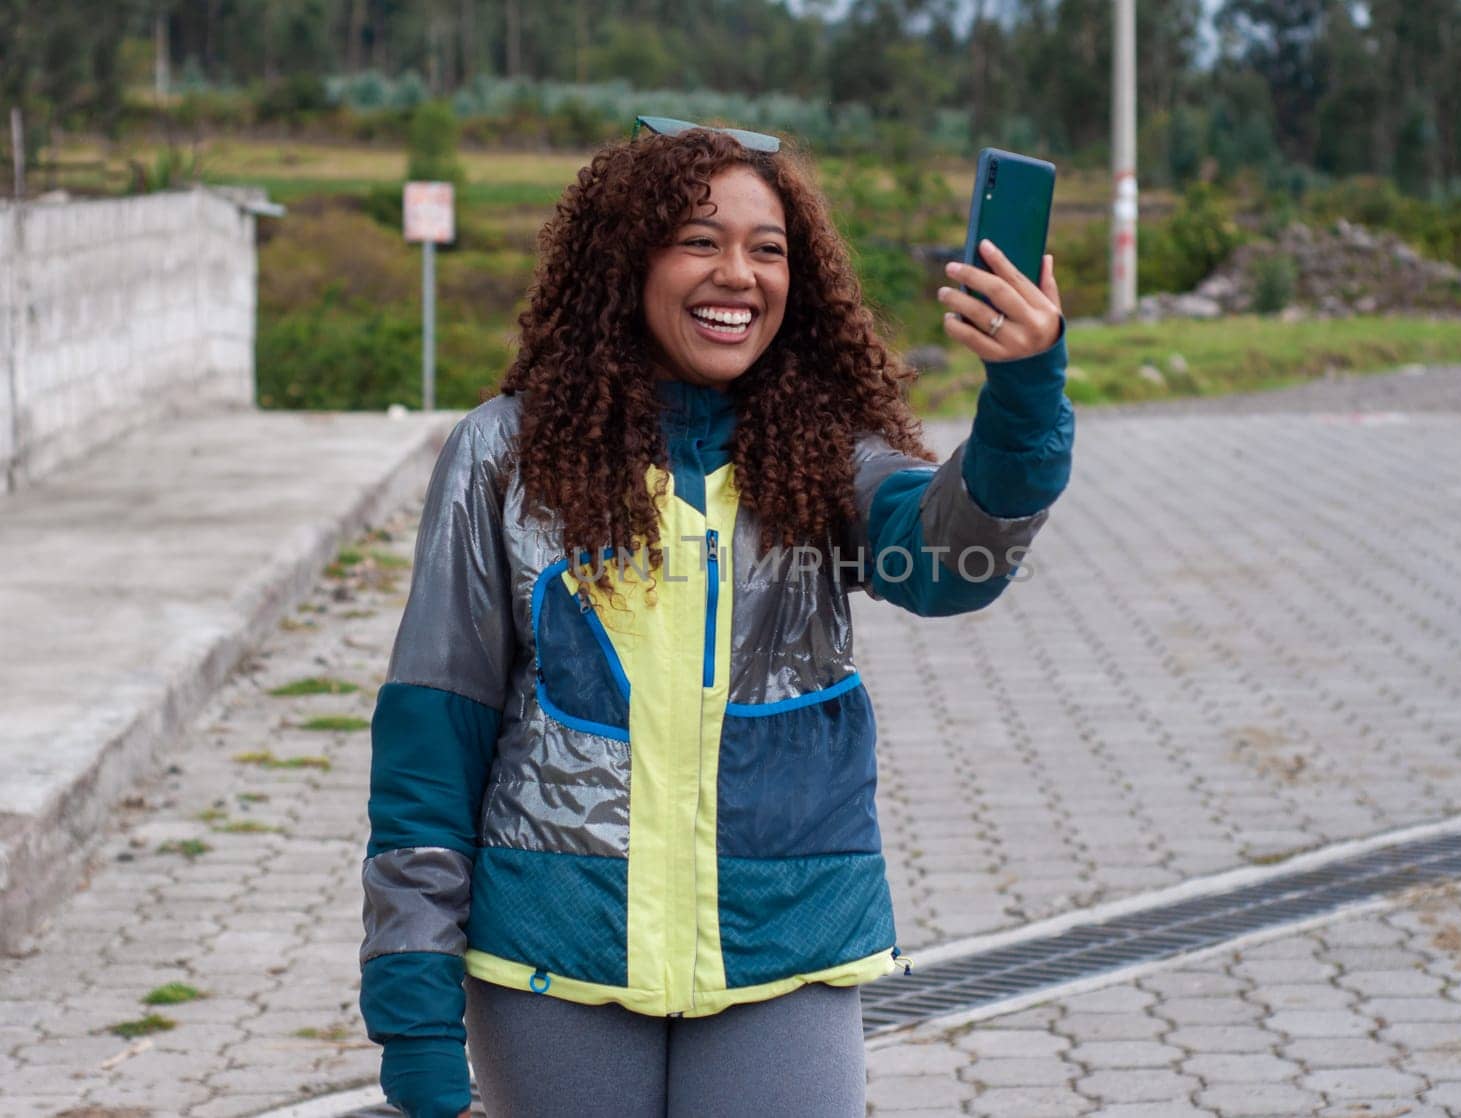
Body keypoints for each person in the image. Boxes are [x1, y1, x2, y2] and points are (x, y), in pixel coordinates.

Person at [359, 117, 1075, 1118]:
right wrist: (413, 1000)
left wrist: (1024, 391)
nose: (736, 272)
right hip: (555, 948)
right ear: (626, 261)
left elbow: (954, 560)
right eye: (699, 239)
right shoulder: (500, 456)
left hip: (786, 933)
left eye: (766, 248)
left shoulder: (824, 454)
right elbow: (433, 738)